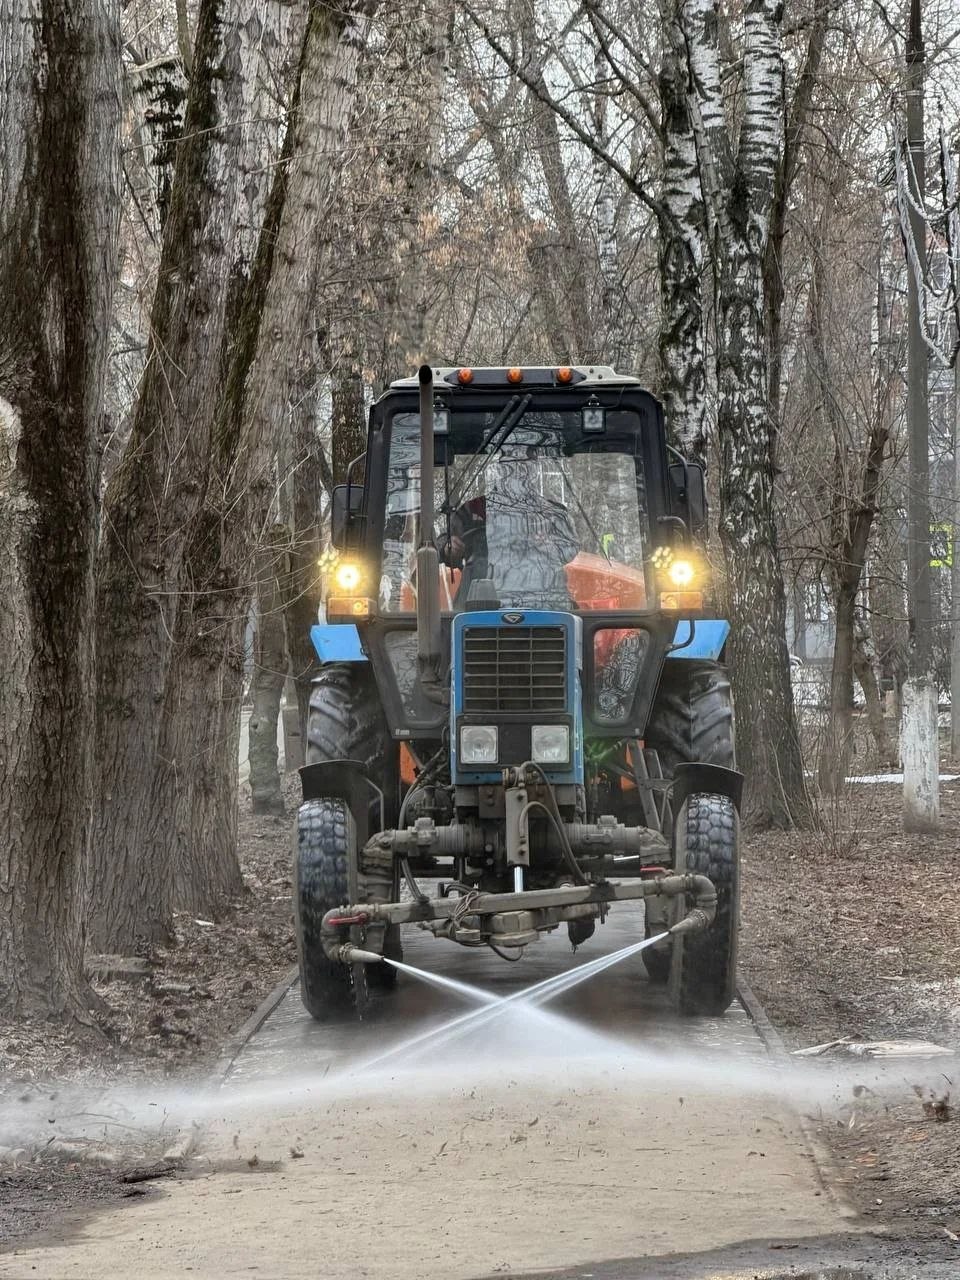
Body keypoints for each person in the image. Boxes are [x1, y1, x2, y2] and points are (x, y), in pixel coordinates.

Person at [438, 445, 579, 609]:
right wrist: (449, 548)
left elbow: (571, 546)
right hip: (480, 606)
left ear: (535, 470)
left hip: (544, 602)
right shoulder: (474, 509)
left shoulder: (553, 512)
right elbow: (444, 542)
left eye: (525, 464)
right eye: (511, 465)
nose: (518, 471)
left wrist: (550, 547)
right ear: (501, 470)